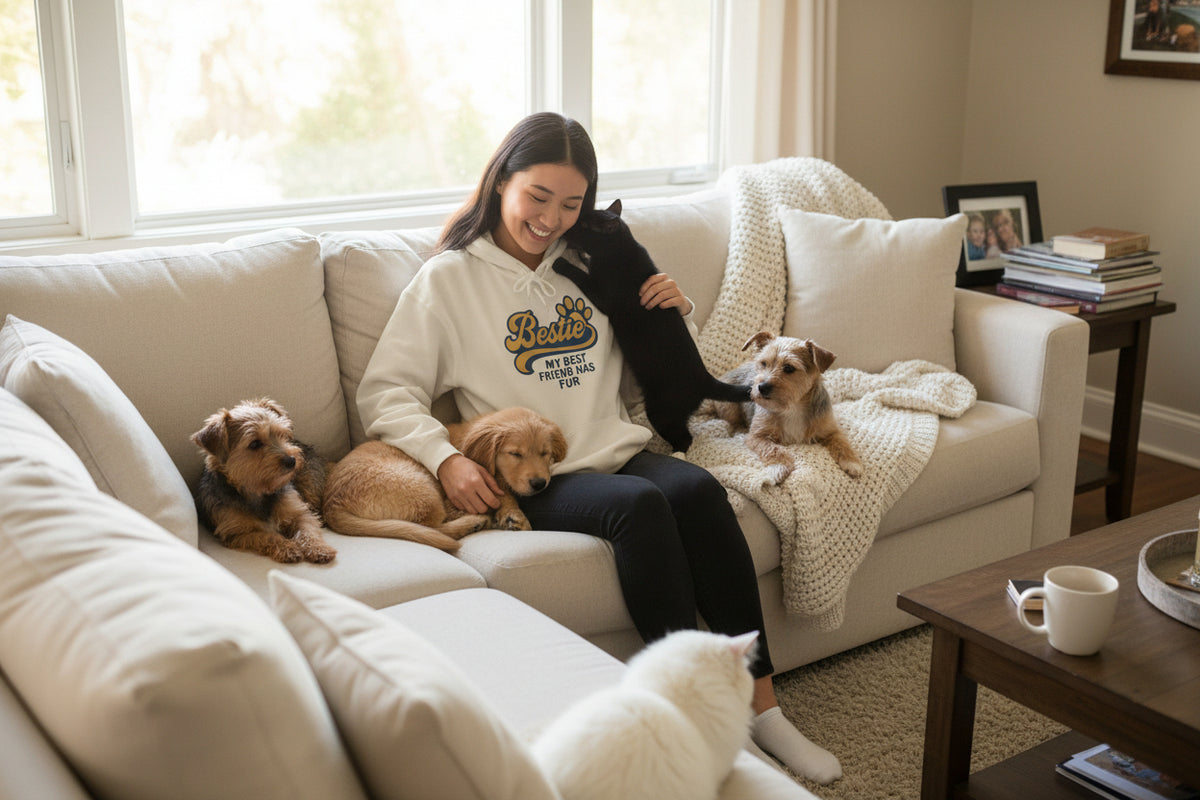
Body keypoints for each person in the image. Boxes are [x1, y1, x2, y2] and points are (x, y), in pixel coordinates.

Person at [357, 112, 842, 784]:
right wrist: (448, 459)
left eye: (570, 204)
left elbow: (651, 362)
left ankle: (762, 707)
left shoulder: (590, 266)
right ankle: (697, 724)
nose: (551, 219)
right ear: (501, 181)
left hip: (615, 445)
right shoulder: (449, 282)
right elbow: (385, 395)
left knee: (699, 491)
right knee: (640, 508)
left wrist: (673, 311)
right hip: (541, 473)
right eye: (537, 197)